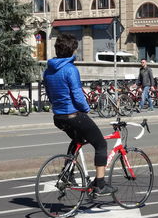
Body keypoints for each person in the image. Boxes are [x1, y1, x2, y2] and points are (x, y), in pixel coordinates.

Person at [43, 33, 117, 196]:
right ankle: (101, 184)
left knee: (77, 140)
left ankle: (67, 172)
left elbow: (49, 93)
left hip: (59, 117)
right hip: (73, 115)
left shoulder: (48, 71)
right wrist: (86, 109)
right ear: (71, 51)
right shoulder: (70, 69)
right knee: (100, 145)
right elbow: (77, 95)